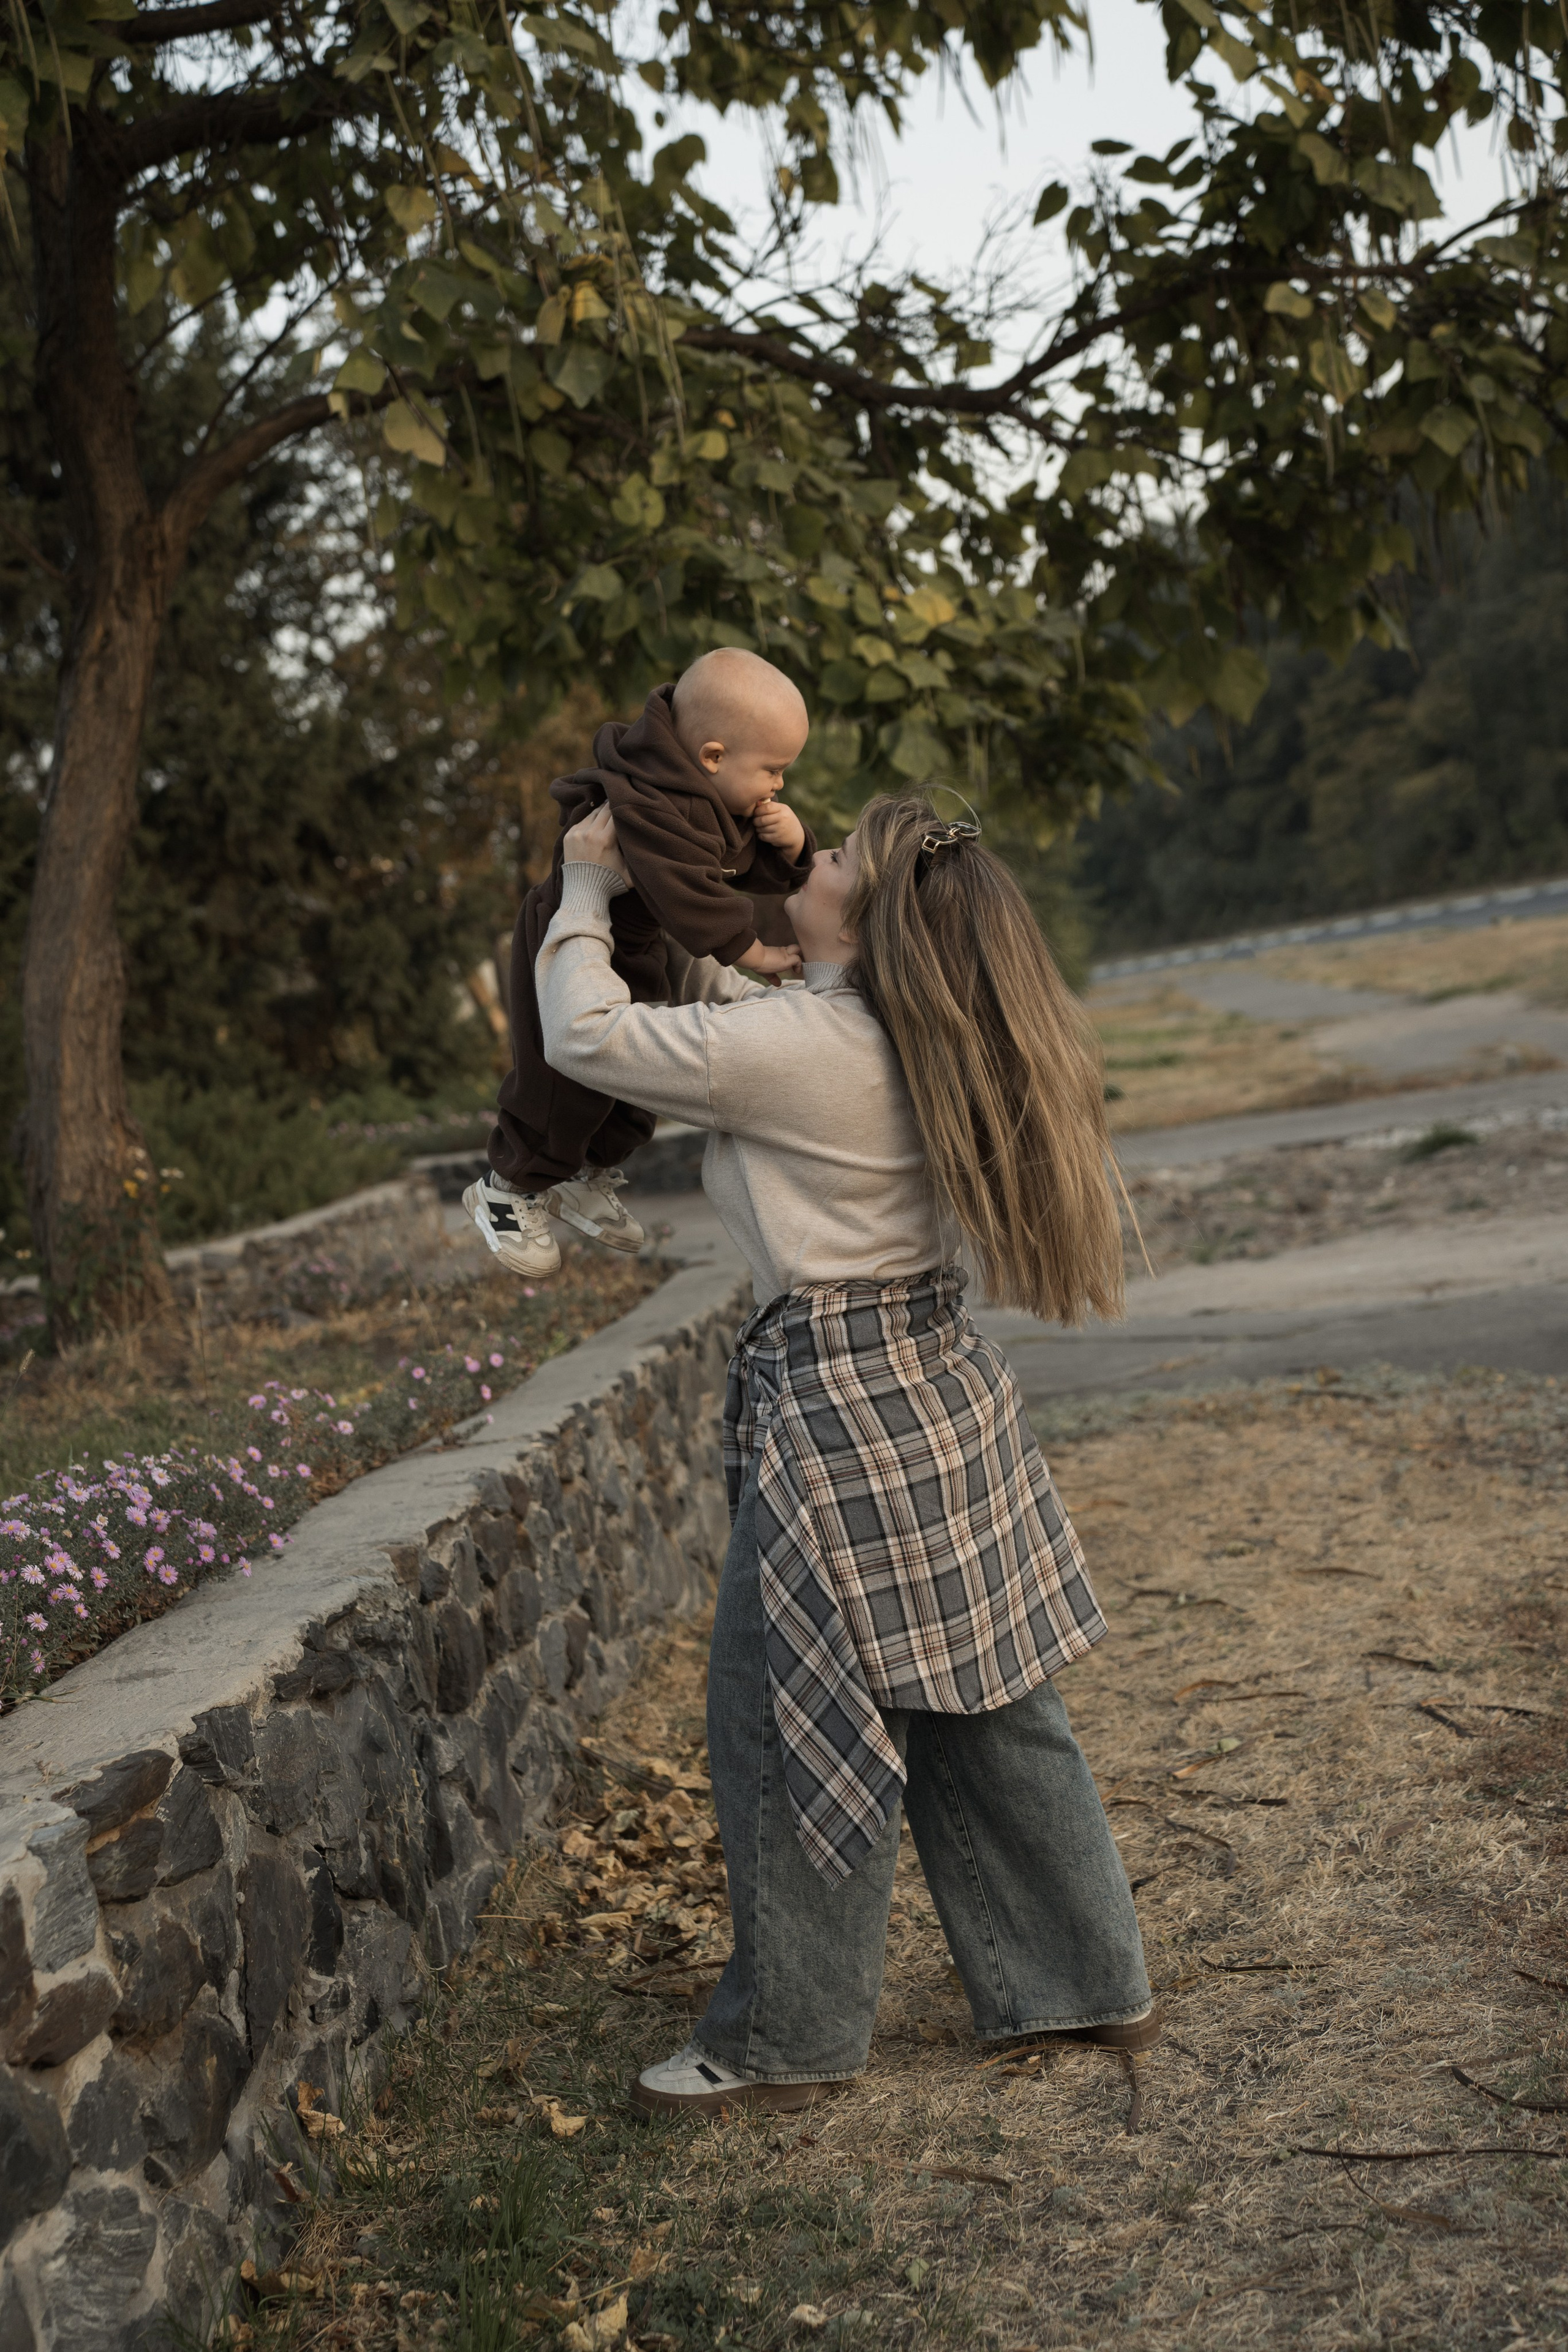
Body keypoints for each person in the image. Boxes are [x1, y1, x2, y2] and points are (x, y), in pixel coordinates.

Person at [535, 792, 1156, 2117]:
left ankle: (788, 2041)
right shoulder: (888, 1031)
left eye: (829, 860)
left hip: (835, 1403)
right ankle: (1082, 1974)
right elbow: (735, 1015)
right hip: (925, 1383)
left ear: (864, 923)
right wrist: (756, 883)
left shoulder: (810, 1044)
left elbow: (588, 1037)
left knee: (780, 1714)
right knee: (983, 1703)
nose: (803, 854)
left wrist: (586, 886)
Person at [462, 648, 816, 1283]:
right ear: (712, 756)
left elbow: (723, 866)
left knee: (631, 1093)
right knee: (561, 1086)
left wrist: (790, 851)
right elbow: (688, 891)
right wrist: (753, 951)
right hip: (573, 927)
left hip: (634, 946)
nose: (779, 785)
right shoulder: (649, 801)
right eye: (774, 769)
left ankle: (586, 1176)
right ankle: (507, 1188)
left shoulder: (701, 793)